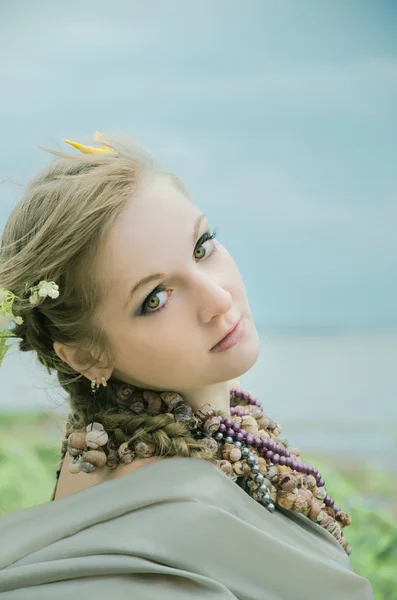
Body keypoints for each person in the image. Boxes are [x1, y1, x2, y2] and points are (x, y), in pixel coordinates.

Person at [0, 132, 374, 599]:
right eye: (155, 299)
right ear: (86, 354)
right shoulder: (179, 512)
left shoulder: (160, 443)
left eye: (202, 247)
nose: (218, 299)